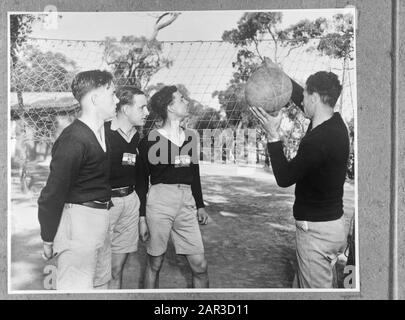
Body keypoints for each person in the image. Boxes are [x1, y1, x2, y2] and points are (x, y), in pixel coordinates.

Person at [250, 69, 349, 288]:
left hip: (316, 234)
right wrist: (278, 73)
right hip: (333, 226)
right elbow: (304, 100)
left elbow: (284, 178)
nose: (299, 100)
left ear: (314, 97)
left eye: (304, 96)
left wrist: (273, 135)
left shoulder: (318, 140)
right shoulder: (335, 124)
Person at [38, 70, 118, 290]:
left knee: (101, 286)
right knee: (76, 291)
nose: (117, 100)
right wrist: (48, 237)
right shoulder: (73, 139)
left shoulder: (102, 133)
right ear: (95, 98)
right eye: (112, 93)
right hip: (79, 225)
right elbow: (52, 193)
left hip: (101, 219)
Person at [135, 85, 209, 288]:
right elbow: (141, 183)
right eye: (181, 99)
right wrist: (142, 217)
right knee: (155, 263)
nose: (186, 101)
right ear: (169, 107)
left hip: (187, 202)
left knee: (200, 265)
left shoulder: (191, 137)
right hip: (159, 201)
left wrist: (200, 205)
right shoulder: (148, 141)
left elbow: (195, 174)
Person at [104, 86, 150, 289]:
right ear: (125, 109)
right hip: (104, 206)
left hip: (130, 204)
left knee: (116, 269)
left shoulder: (138, 140)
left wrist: (141, 217)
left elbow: (141, 180)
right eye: (142, 107)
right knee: (97, 269)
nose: (146, 113)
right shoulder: (101, 133)